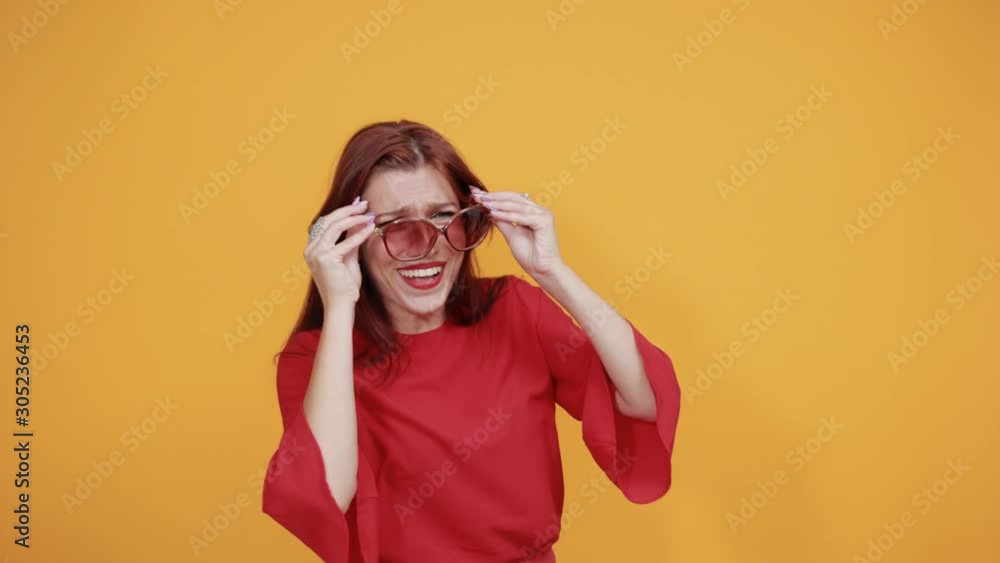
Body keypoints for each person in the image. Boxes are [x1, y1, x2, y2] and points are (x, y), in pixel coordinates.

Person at [261, 120, 681, 562]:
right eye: (393, 223)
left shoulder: (516, 310)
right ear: (351, 241)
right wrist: (339, 304)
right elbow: (327, 495)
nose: (424, 244)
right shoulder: (317, 356)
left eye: (443, 215)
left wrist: (553, 272)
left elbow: (643, 399)